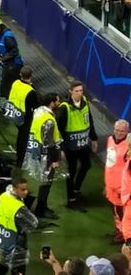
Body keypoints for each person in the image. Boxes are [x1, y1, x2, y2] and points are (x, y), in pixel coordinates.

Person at [0, 177, 38, 275]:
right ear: (15, 189)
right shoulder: (18, 207)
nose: (26, 192)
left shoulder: (4, 196)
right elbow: (33, 224)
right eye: (23, 189)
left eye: (27, 189)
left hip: (4, 238)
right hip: (16, 244)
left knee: (2, 267)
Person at [55, 81, 97, 210]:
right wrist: (61, 148)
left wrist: (94, 138)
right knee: (71, 171)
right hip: (70, 146)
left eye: (81, 91)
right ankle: (71, 200)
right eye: (77, 91)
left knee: (86, 165)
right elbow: (58, 129)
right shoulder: (64, 108)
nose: (79, 93)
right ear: (70, 91)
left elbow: (89, 119)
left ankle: (76, 189)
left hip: (83, 143)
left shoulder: (85, 102)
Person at [27, 93, 64, 220]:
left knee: (41, 180)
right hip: (45, 155)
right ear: (52, 103)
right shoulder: (49, 120)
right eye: (57, 101)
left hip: (35, 150)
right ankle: (41, 209)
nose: (59, 104)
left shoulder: (39, 112)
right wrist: (55, 160)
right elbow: (49, 143)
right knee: (46, 182)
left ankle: (39, 206)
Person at [4, 66, 38, 168]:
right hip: (25, 118)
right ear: (31, 76)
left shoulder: (15, 83)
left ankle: (19, 157)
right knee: (23, 139)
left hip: (15, 113)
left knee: (21, 137)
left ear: (20, 74)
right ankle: (20, 160)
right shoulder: (31, 91)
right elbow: (35, 106)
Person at [104, 120, 129, 243]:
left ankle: (124, 234)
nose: (119, 133)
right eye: (117, 130)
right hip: (110, 183)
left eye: (122, 131)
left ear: (127, 132)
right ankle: (118, 230)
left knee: (121, 212)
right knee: (114, 211)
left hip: (121, 187)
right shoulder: (110, 139)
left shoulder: (128, 147)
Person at [0, 20, 24, 100]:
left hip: (14, 65)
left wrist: (1, 58)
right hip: (6, 63)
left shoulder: (7, 36)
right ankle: (4, 102)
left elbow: (14, 51)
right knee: (1, 84)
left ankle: (8, 102)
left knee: (7, 85)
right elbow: (0, 44)